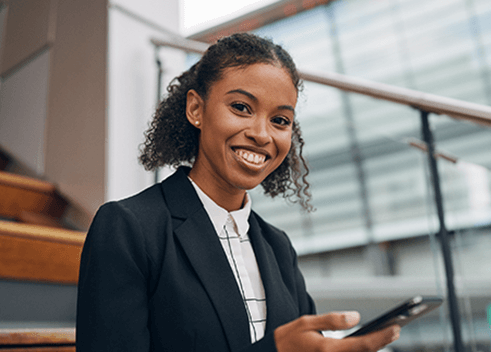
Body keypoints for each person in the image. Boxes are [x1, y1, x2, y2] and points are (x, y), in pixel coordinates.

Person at [76, 33, 400, 352]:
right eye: (242, 107)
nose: (261, 134)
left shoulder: (277, 246)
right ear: (196, 109)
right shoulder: (129, 228)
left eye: (280, 120)